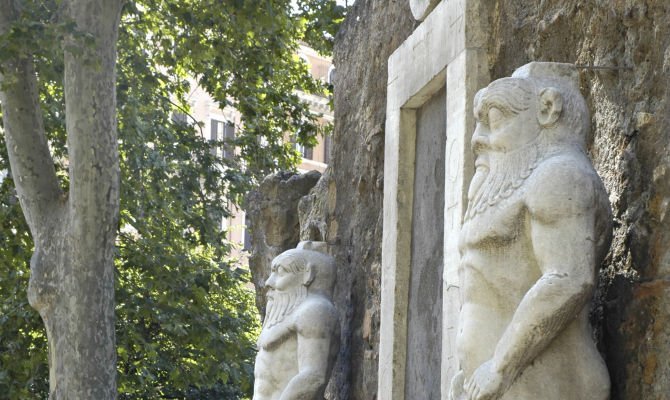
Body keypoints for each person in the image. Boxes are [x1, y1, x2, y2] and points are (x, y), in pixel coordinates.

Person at [450, 63, 612, 400]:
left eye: (494, 119)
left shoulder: (559, 174)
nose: (477, 139)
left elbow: (568, 277)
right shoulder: (514, 182)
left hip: (540, 380)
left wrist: (499, 366)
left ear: (548, 110)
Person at [253, 242, 339, 400]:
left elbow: (313, 376)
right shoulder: (288, 313)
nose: (269, 282)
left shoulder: (314, 310)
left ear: (307, 275)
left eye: (280, 272)